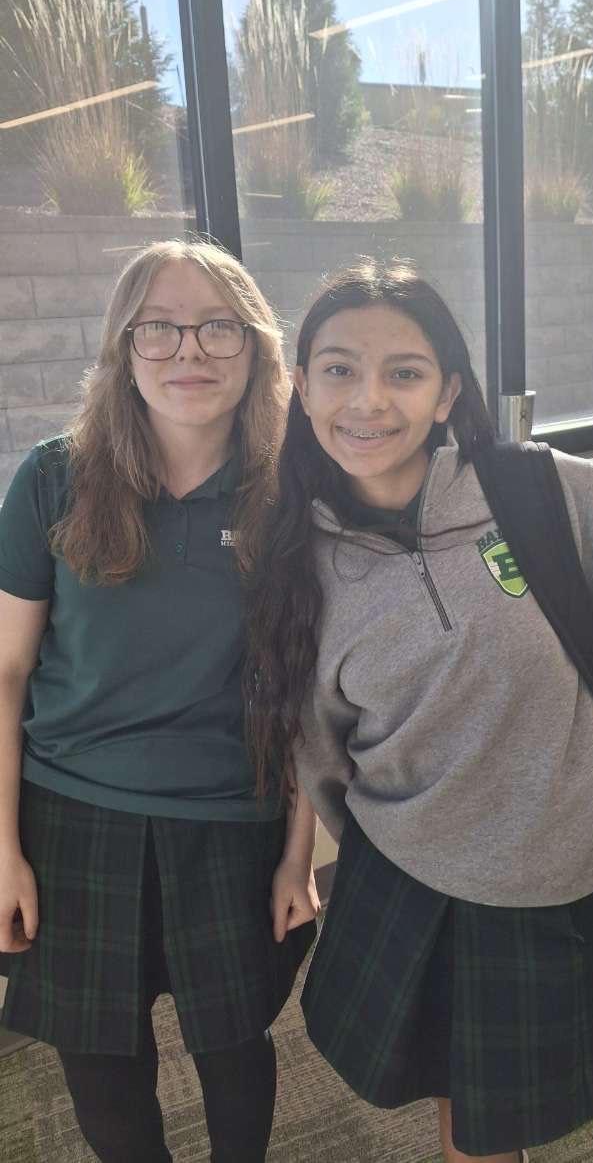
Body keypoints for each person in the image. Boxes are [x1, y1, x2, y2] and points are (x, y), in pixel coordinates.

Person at [245, 259, 593, 1163]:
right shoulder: (292, 556)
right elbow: (322, 755)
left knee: (504, 1115)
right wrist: (410, 836)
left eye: (404, 372)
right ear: (301, 388)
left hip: (567, 879)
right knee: (464, 1110)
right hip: (408, 884)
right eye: (339, 369)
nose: (368, 400)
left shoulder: (556, 494)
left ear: (447, 392)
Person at [0, 239, 318, 1163]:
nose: (190, 351)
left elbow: (306, 688)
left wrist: (299, 855)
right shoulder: (53, 478)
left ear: (256, 348)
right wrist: (2, 846)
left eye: (219, 327)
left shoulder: (292, 495)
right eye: (160, 328)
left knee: (234, 1045)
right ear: (123, 347)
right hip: (70, 813)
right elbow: (7, 672)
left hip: (229, 814)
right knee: (99, 1060)